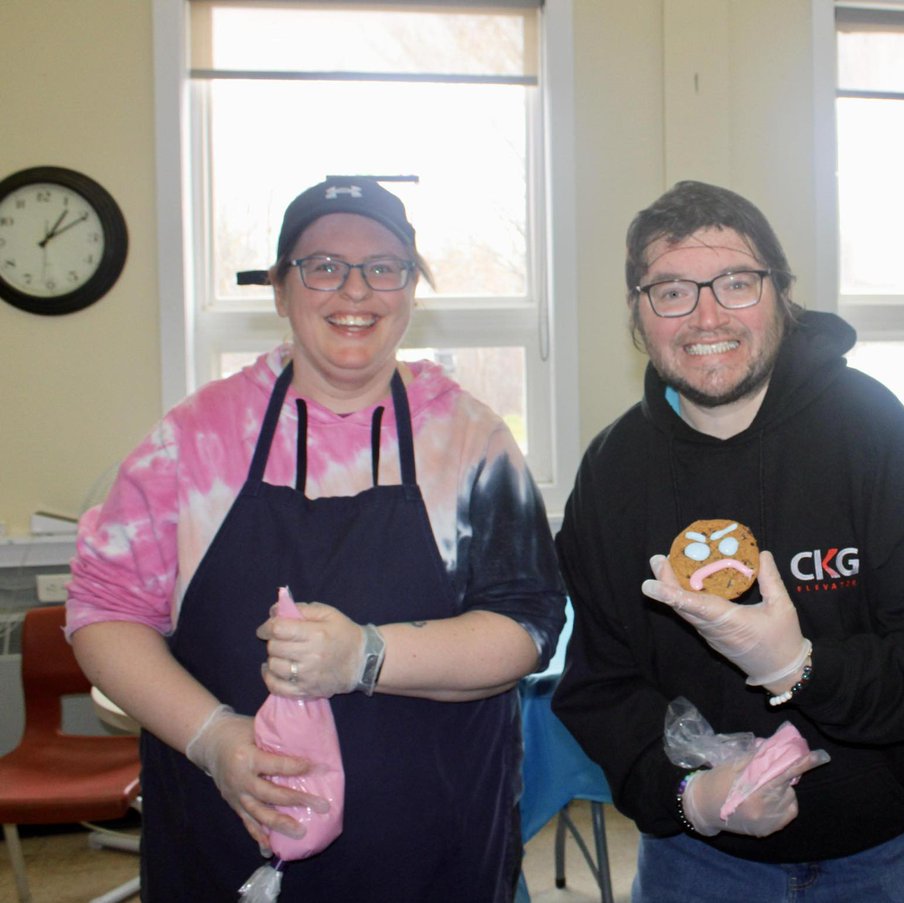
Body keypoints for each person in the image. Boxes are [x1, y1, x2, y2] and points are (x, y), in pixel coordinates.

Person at [67, 177, 565, 901]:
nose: (354, 291)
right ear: (280, 288)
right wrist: (215, 738)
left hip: (435, 850)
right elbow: (103, 612)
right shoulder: (195, 440)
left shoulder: (471, 440)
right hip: (226, 846)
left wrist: (365, 655)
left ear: (410, 291)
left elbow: (527, 625)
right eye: (323, 266)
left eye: (383, 267)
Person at [552, 180, 904, 902]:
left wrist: (800, 666)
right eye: (670, 290)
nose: (705, 316)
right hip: (700, 861)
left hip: (896, 849)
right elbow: (600, 688)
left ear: (781, 296)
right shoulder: (612, 475)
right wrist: (690, 795)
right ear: (638, 313)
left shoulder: (876, 436)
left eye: (736, 283)